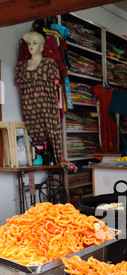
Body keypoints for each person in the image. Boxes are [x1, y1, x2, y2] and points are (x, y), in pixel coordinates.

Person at [15, 31, 76, 172]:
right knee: (33, 132)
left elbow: (55, 88)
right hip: (29, 106)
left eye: (35, 43)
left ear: (42, 47)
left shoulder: (49, 64)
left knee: (51, 131)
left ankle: (56, 157)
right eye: (29, 43)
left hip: (47, 105)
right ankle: (38, 156)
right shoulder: (22, 66)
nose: (31, 46)